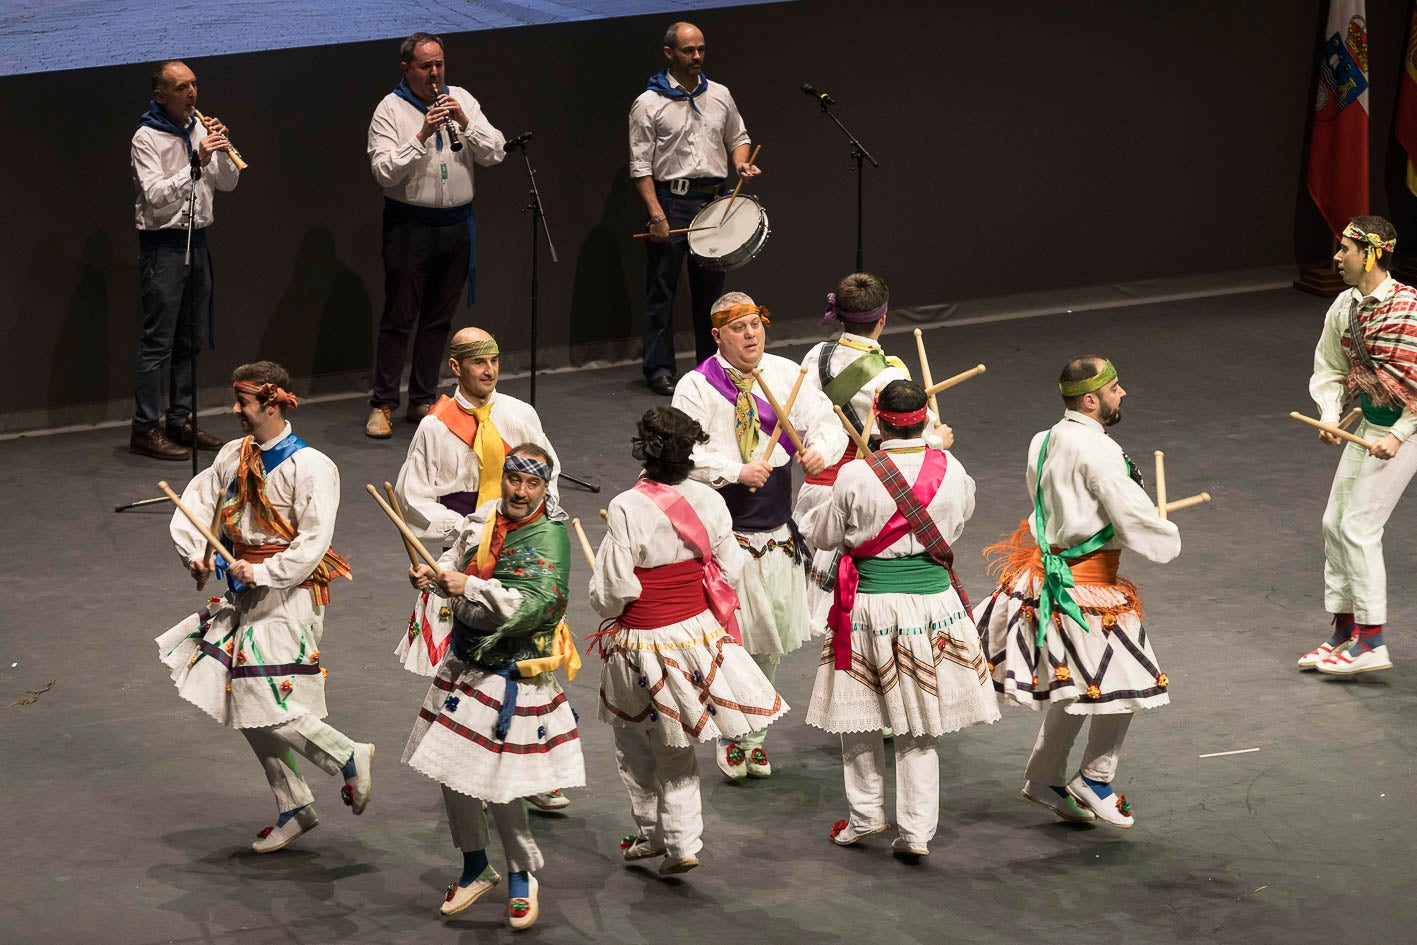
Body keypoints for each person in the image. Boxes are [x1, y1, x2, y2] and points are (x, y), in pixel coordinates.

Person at [155, 361, 373, 853]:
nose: (235, 410)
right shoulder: (234, 455)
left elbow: (313, 543)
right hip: (243, 591)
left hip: (288, 595)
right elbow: (195, 506)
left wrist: (262, 572)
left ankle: (347, 756)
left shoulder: (311, 466)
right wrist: (197, 554)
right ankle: (295, 803)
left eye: (243, 402)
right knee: (243, 701)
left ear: (272, 403)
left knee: (268, 701)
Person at [974, 357, 1180, 828]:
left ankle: (1045, 774)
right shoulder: (1101, 452)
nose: (1122, 393)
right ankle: (1096, 778)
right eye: (1114, 387)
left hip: (1049, 575)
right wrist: (1164, 534)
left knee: (1078, 682)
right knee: (1123, 685)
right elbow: (1133, 521)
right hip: (1087, 586)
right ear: (1092, 399)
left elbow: (1048, 503)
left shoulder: (1042, 440)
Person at [588, 406, 787, 875]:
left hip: (644, 639)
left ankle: (655, 836)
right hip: (697, 633)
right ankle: (680, 841)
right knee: (676, 742)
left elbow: (613, 590)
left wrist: (611, 606)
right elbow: (729, 568)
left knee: (634, 741)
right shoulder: (711, 499)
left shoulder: (626, 506)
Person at [804, 381, 997, 857]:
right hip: (934, 606)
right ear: (926, 415)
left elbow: (826, 535)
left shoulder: (854, 474)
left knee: (862, 717)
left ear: (878, 418)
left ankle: (866, 815)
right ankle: (916, 832)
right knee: (918, 724)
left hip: (870, 605)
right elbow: (961, 518)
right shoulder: (952, 467)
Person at [405, 444, 584, 927]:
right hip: (464, 662)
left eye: (532, 484)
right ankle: (474, 865)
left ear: (546, 488)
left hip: (512, 673)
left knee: (503, 787)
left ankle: (522, 874)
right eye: (513, 480)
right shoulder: (485, 519)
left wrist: (469, 586)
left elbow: (537, 605)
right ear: (501, 478)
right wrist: (437, 576)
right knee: (451, 770)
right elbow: (457, 560)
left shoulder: (550, 537)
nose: (520, 492)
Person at [393, 327, 569, 812]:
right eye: (478, 363)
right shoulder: (435, 426)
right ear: (456, 367)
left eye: (494, 361)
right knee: (471, 672)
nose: (489, 371)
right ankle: (477, 765)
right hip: (467, 554)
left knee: (529, 663)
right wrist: (467, 527)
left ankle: (533, 771)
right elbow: (413, 498)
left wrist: (532, 525)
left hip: (519, 553)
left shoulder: (519, 414)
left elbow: (546, 476)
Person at [671, 292, 846, 778]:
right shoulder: (695, 386)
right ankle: (732, 733)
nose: (751, 335)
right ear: (717, 335)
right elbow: (684, 454)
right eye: (739, 327)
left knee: (769, 641)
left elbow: (826, 425)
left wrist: (821, 453)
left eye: (756, 324)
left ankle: (755, 734)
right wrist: (735, 469)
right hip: (723, 531)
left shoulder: (786, 375)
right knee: (732, 641)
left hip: (775, 530)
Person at [794, 273, 953, 632]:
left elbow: (804, 417)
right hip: (860, 494)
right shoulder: (891, 372)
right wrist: (940, 439)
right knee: (855, 608)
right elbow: (913, 439)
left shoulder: (816, 355)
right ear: (883, 318)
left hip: (816, 488)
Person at [366, 32, 506, 438]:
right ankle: (383, 403)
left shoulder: (462, 99)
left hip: (457, 226)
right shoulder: (390, 110)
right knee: (399, 318)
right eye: (426, 66)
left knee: (438, 321)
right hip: (409, 226)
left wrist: (464, 121)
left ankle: (423, 399)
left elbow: (495, 152)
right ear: (407, 67)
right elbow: (383, 172)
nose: (435, 73)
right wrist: (422, 134)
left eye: (439, 64)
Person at [1299, 216, 1417, 676]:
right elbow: (1328, 367)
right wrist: (1330, 414)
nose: (1336, 257)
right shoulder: (1344, 307)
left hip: (1408, 429)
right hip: (1369, 423)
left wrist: (1398, 434)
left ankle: (1372, 640)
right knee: (1334, 523)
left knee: (1360, 527)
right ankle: (1344, 631)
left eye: (1344, 249)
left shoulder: (1409, 308)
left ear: (1369, 254)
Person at [629, 21, 760, 396]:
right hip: (671, 200)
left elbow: (739, 137)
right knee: (662, 291)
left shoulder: (719, 94)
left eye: (701, 49)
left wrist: (740, 164)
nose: (698, 56)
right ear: (669, 53)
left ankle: (710, 367)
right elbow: (640, 166)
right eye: (689, 50)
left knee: (710, 294)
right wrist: (656, 213)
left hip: (714, 201)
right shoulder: (648, 103)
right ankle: (659, 369)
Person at [129, 59, 239, 460]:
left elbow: (228, 183)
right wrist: (197, 163)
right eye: (181, 88)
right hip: (163, 247)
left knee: (189, 340)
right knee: (158, 342)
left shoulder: (200, 129)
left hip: (199, 243)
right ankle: (145, 428)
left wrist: (222, 153)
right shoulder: (146, 137)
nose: (192, 93)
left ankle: (180, 420)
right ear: (161, 95)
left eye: (194, 85)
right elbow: (155, 195)